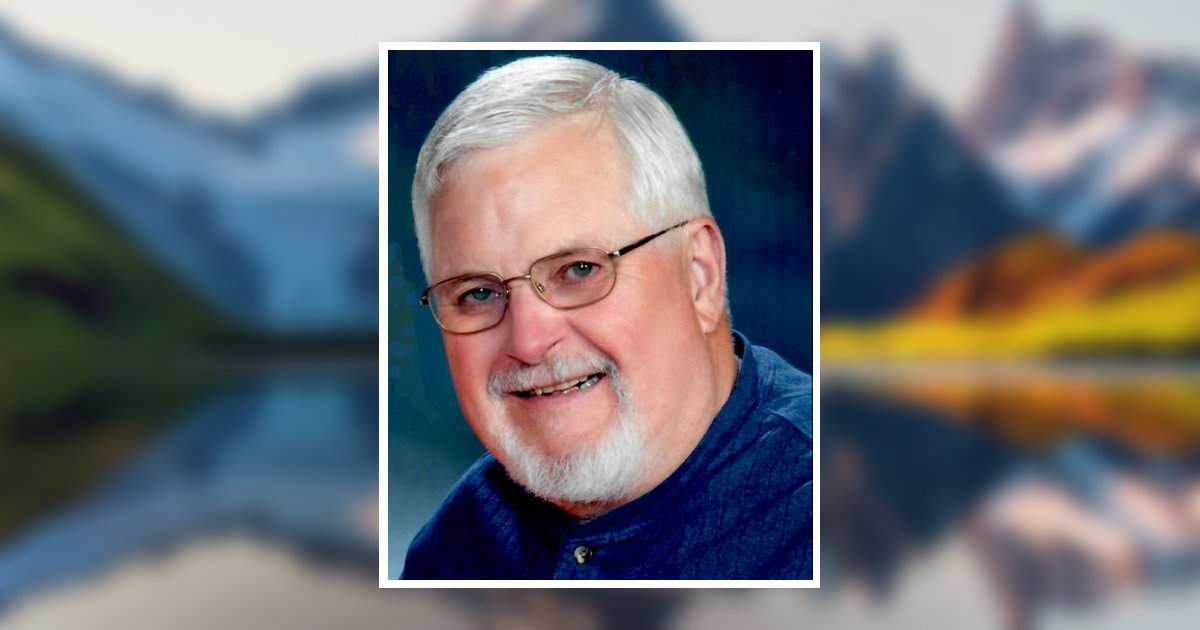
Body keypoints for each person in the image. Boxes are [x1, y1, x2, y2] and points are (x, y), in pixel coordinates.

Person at [401, 55, 813, 579]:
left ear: (700, 274)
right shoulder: (455, 547)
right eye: (478, 293)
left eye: (578, 269)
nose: (528, 341)